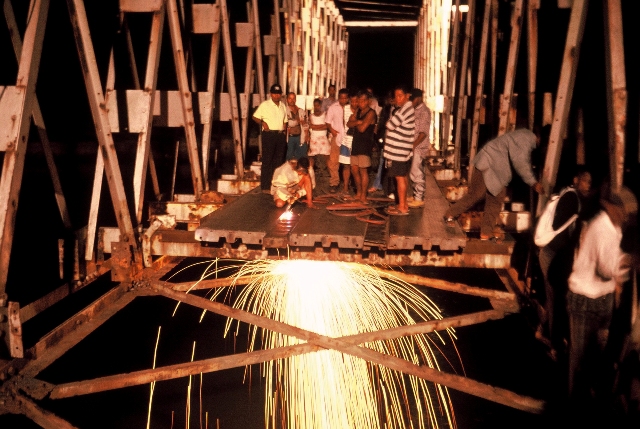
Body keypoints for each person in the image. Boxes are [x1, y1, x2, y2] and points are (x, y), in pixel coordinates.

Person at [566, 186, 637, 409]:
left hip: (602, 297)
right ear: (610, 207)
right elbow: (607, 269)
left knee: (596, 356)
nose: (627, 215)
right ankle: (575, 403)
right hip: (585, 300)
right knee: (580, 359)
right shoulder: (601, 228)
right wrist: (630, 261)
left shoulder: (615, 228)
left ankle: (590, 398)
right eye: (624, 210)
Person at [443, 128, 544, 239]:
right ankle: (450, 214)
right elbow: (520, 162)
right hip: (489, 164)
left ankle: (486, 233)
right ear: (539, 137)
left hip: (498, 170)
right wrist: (533, 182)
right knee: (477, 194)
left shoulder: (523, 136)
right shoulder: (527, 139)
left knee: (495, 200)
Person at [537, 167, 592, 356]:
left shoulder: (572, 197)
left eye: (591, 183)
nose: (588, 186)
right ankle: (555, 345)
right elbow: (558, 225)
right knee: (556, 300)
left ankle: (542, 330)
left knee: (554, 297)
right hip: (552, 256)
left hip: (555, 255)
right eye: (586, 181)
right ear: (576, 180)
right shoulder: (571, 198)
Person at [383, 84, 415, 215]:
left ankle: (402, 207)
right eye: (396, 96)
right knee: (402, 176)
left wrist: (389, 122)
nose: (397, 99)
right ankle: (403, 204)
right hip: (400, 151)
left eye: (400, 96)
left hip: (399, 152)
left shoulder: (405, 109)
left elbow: (390, 125)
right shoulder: (403, 109)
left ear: (407, 96)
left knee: (399, 178)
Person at [252, 84, 287, 193]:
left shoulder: (283, 106)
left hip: (280, 135)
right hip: (269, 135)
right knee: (267, 160)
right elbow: (255, 117)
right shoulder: (265, 105)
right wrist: (263, 123)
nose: (276, 96)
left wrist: (284, 129)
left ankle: (275, 185)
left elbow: (285, 120)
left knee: (278, 161)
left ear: (280, 94)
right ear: (271, 94)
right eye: (274, 93)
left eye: (278, 93)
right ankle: (265, 187)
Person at [348, 91, 377, 204]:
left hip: (365, 144)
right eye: (359, 100)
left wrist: (356, 122)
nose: (360, 103)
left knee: (363, 170)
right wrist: (359, 121)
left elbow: (362, 128)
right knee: (354, 169)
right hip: (355, 143)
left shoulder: (371, 113)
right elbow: (348, 124)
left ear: (368, 101)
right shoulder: (358, 111)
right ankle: (359, 192)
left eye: (363, 100)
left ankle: (364, 195)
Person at [407, 88, 432, 209]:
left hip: (419, 147)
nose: (411, 102)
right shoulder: (413, 110)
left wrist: (413, 145)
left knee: (417, 172)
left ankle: (419, 198)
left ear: (419, 99)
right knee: (412, 172)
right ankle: (415, 195)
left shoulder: (424, 112)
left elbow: (423, 133)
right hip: (412, 146)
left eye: (413, 100)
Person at [325, 88, 349, 193]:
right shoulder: (333, 108)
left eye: (345, 98)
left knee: (348, 161)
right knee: (334, 161)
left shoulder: (351, 107)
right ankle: (334, 182)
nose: (343, 100)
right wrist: (332, 130)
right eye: (341, 98)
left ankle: (348, 183)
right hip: (337, 137)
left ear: (347, 98)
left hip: (348, 138)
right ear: (338, 98)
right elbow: (328, 122)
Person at [339, 93, 359, 195]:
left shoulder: (361, 109)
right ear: (350, 100)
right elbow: (343, 123)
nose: (354, 103)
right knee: (346, 166)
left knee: (355, 167)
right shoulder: (345, 108)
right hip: (346, 140)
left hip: (356, 141)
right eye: (353, 101)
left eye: (356, 101)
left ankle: (357, 188)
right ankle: (345, 187)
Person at [307, 98, 329, 187]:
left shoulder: (325, 114)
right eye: (315, 105)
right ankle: (311, 176)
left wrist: (316, 127)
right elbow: (310, 126)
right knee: (312, 157)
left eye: (318, 105)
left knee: (327, 156)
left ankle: (328, 175)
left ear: (320, 106)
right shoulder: (311, 116)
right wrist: (320, 126)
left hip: (323, 138)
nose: (316, 107)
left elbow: (326, 126)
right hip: (314, 138)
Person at [285, 92, 308, 161]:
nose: (292, 100)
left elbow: (306, 124)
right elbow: (289, 123)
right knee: (288, 158)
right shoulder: (284, 110)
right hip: (289, 138)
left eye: (293, 98)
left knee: (301, 158)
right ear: (287, 99)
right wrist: (296, 121)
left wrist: (307, 135)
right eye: (290, 98)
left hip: (300, 137)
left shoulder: (301, 111)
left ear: (295, 99)